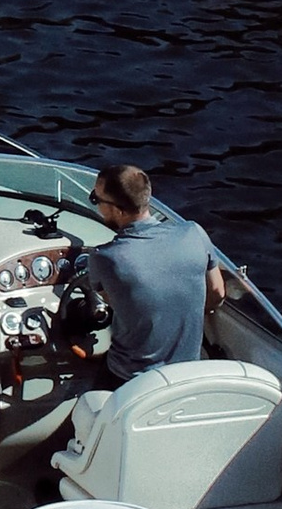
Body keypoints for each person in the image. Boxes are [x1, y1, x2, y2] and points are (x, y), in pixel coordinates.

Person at [70, 164, 228, 383]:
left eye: (96, 200)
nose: (95, 206)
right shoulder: (195, 233)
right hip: (187, 373)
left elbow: (116, 305)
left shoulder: (105, 258)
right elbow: (217, 293)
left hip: (129, 379)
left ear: (118, 210)